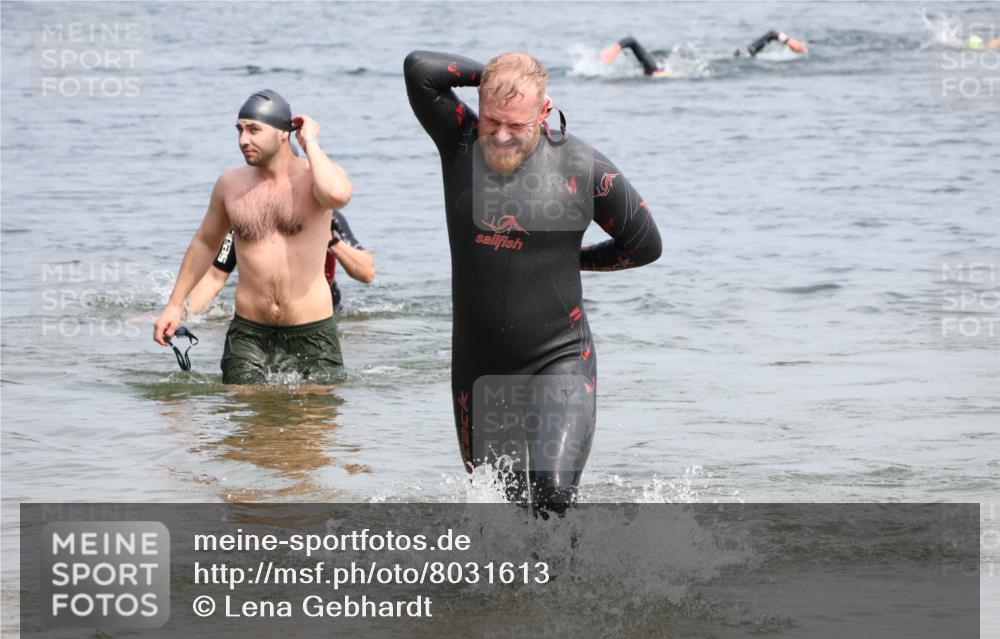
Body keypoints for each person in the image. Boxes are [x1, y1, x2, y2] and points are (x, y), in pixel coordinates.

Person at [404, 50, 661, 513]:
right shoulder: (460, 140)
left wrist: (578, 261)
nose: (501, 137)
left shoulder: (581, 166)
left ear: (544, 111)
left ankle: (577, 584)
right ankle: (517, 587)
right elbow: (420, 69)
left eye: (516, 125)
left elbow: (643, 243)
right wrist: (497, 78)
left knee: (553, 495)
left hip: (558, 358)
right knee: (500, 510)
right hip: (479, 366)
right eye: (492, 120)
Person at [153, 89, 352, 384]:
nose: (243, 139)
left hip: (312, 332)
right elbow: (205, 242)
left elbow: (337, 195)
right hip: (249, 334)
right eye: (240, 130)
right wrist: (174, 304)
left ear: (283, 134)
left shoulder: (314, 176)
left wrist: (310, 141)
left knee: (315, 426)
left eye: (254, 129)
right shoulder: (230, 184)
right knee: (243, 424)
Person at [187, 210, 374, 315]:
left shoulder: (326, 216)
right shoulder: (245, 220)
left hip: (323, 312)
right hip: (264, 315)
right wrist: (182, 315)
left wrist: (331, 241)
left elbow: (366, 273)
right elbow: (214, 278)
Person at [601, 30, 808, 77]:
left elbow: (631, 40)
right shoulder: (654, 70)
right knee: (746, 54)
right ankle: (784, 38)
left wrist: (615, 48)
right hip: (723, 62)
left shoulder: (652, 70)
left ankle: (784, 38)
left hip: (721, 62)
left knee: (747, 54)